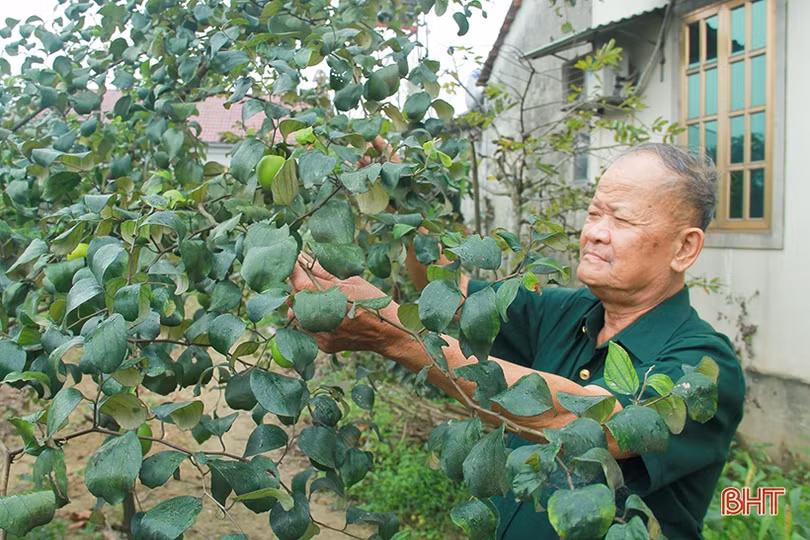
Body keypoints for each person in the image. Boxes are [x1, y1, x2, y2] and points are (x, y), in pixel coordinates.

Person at [289, 143, 745, 539]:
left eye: (622, 219)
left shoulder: (703, 368)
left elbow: (598, 425)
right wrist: (399, 198)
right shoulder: (566, 311)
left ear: (684, 248)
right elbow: (454, 295)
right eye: (594, 213)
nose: (596, 232)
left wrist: (394, 333)